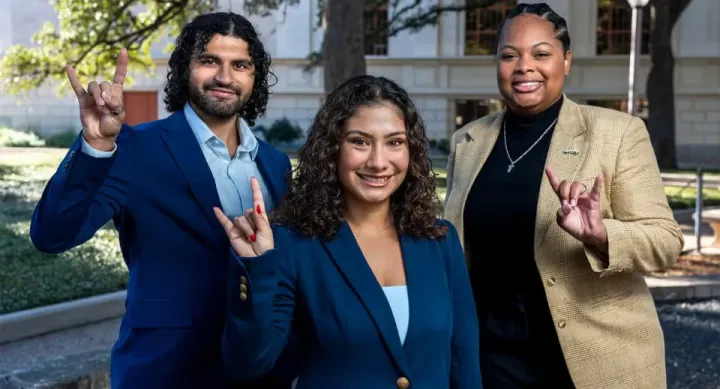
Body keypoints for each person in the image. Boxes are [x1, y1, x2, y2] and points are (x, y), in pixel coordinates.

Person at [30, 12, 296, 389]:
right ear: (185, 68)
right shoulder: (136, 149)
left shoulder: (275, 162)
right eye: (209, 61)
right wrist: (96, 145)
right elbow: (51, 235)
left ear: (254, 76)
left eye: (240, 65)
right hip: (165, 371)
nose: (225, 77)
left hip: (263, 373)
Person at [443, 3, 684, 389]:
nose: (524, 66)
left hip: (592, 359)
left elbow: (665, 241)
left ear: (566, 61)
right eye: (509, 55)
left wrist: (600, 235)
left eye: (541, 54)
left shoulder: (616, 132)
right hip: (492, 358)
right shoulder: (468, 141)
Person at [214, 75, 482, 389]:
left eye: (394, 142)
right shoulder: (293, 243)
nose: (378, 162)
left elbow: (465, 364)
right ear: (333, 149)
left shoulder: (441, 240)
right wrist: (257, 269)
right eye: (360, 141)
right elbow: (249, 365)